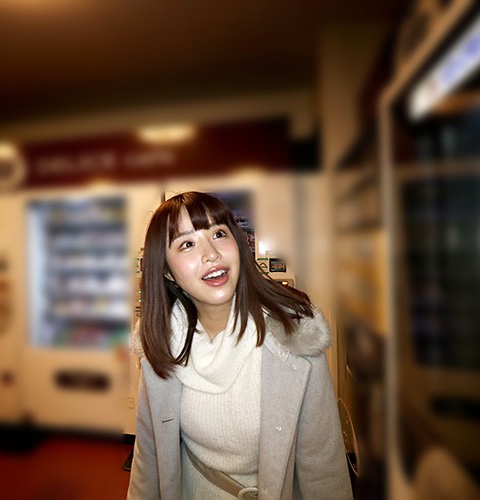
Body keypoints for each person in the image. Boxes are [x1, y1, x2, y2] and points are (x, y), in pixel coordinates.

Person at [127, 191, 352, 499]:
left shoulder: (294, 334)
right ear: (167, 271)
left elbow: (323, 464)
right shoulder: (160, 342)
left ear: (239, 243)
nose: (211, 254)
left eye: (218, 234)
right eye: (187, 244)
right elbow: (148, 455)